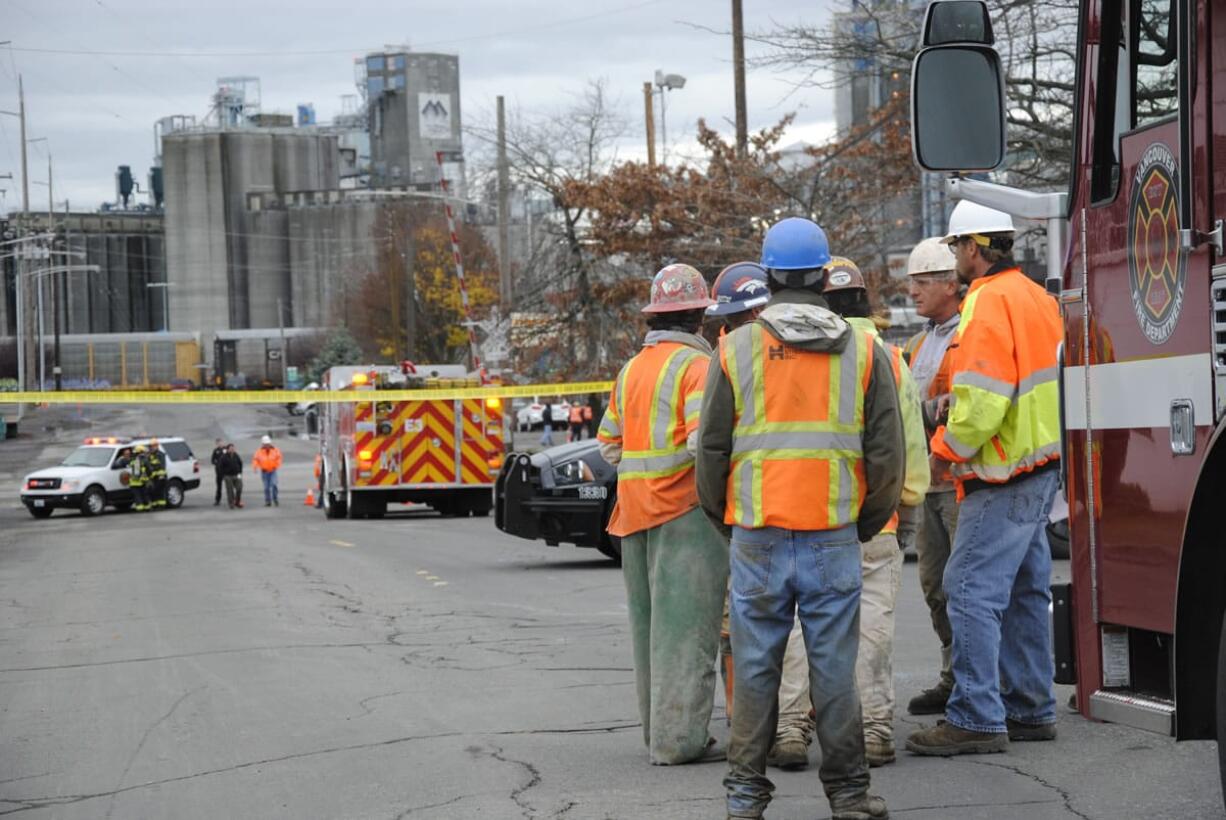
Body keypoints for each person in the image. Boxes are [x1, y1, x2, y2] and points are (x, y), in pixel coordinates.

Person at [697, 217, 902, 820]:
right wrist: (866, 521)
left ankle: (743, 798)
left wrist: (727, 522)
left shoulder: (734, 348)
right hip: (832, 534)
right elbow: (887, 452)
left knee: (757, 666)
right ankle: (849, 796)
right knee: (834, 667)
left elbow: (710, 450)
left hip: (757, 535)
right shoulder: (865, 349)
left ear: (768, 275)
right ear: (821, 274)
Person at [906, 201, 1063, 757]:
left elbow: (983, 399)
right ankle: (1028, 707)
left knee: (968, 588)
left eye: (955, 248)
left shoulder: (988, 304)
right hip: (1039, 464)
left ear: (973, 247)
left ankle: (976, 715)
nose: (954, 259)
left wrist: (947, 448)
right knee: (1023, 591)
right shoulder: (1036, 296)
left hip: (999, 469)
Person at [596, 263, 730, 766]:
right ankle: (680, 742)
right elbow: (704, 442)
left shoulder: (633, 368)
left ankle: (659, 734)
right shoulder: (698, 367)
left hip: (634, 518)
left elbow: (609, 445)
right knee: (687, 634)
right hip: (684, 516)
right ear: (700, 318)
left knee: (649, 633)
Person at [820, 256, 929, 767]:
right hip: (880, 518)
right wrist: (908, 502)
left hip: (820, 518)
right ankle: (876, 730)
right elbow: (909, 439)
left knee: (811, 628)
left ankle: (797, 728)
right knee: (873, 627)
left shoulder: (812, 357)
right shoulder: (889, 357)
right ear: (864, 301)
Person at [901, 237, 964, 716]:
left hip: (961, 481)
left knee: (965, 587)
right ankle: (954, 676)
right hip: (929, 481)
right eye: (912, 282)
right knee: (935, 585)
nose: (913, 291)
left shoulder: (971, 334)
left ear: (950, 283)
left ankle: (975, 682)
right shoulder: (918, 344)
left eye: (922, 282)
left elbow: (959, 405)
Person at [252, 435, 283, 507]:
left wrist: (276, 465)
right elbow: (255, 460)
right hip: (264, 472)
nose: (267, 445)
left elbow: (279, 458)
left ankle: (275, 498)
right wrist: (255, 467)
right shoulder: (259, 452)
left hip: (273, 471)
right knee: (266, 487)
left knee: (274, 484)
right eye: (265, 444)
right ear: (263, 444)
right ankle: (268, 501)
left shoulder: (275, 450)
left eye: (268, 443)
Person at [128, 444, 152, 512]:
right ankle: (146, 507)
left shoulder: (134, 460)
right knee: (144, 495)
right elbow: (149, 470)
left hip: (134, 483)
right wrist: (148, 477)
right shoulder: (143, 460)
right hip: (142, 482)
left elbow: (134, 472)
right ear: (141, 452)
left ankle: (140, 508)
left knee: (138, 496)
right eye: (143, 452)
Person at [220, 444, 245, 509]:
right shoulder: (224, 457)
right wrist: (223, 475)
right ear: (228, 449)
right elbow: (220, 467)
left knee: (239, 488)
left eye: (233, 448)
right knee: (230, 490)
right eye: (231, 448)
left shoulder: (236, 455)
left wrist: (240, 473)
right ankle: (231, 503)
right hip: (228, 476)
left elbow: (240, 463)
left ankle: (237, 501)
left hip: (237, 475)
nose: (232, 449)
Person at [146, 437, 168, 509]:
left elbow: (162, 467)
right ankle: (155, 505)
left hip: (160, 477)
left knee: (160, 491)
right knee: (153, 491)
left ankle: (161, 505)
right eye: (150, 446)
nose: (150, 448)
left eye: (152, 446)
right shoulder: (151, 455)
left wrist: (160, 475)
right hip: (154, 477)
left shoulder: (160, 454)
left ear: (156, 446)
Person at [211, 438, 227, 506]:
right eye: (218, 443)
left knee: (229, 486)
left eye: (221, 442)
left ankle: (232, 499)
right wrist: (216, 463)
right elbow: (212, 460)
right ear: (216, 444)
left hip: (226, 471)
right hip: (219, 471)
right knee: (219, 487)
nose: (220, 444)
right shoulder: (215, 451)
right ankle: (217, 500)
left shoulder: (226, 449)